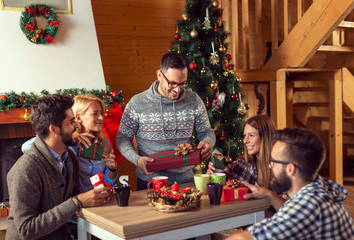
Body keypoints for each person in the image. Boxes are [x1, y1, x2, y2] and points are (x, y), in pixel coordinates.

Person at [6, 94, 111, 240]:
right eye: (71, 121)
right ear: (54, 129)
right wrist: (77, 202)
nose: (76, 126)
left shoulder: (69, 158)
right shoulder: (25, 170)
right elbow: (26, 229)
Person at [226, 128, 354, 240]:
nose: (270, 166)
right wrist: (268, 194)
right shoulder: (319, 188)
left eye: (273, 161)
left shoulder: (308, 207)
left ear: (290, 169)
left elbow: (246, 238)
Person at [117, 52, 216, 190]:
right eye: (172, 83)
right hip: (150, 183)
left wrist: (207, 142)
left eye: (182, 84)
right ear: (159, 75)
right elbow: (122, 138)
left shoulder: (194, 100)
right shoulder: (137, 103)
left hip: (186, 181)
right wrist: (137, 160)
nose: (177, 90)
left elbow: (206, 131)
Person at [22, 94, 118, 192]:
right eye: (95, 113)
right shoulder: (67, 142)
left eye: (102, 113)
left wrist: (112, 169)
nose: (102, 117)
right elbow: (25, 147)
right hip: (75, 203)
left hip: (100, 200)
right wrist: (73, 136)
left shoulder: (103, 143)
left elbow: (109, 183)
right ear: (78, 118)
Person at [207, 115, 276, 189]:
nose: (245, 141)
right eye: (244, 136)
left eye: (251, 135)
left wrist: (267, 194)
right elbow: (222, 182)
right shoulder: (240, 164)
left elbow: (287, 199)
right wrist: (215, 173)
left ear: (265, 138)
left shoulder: (281, 168)